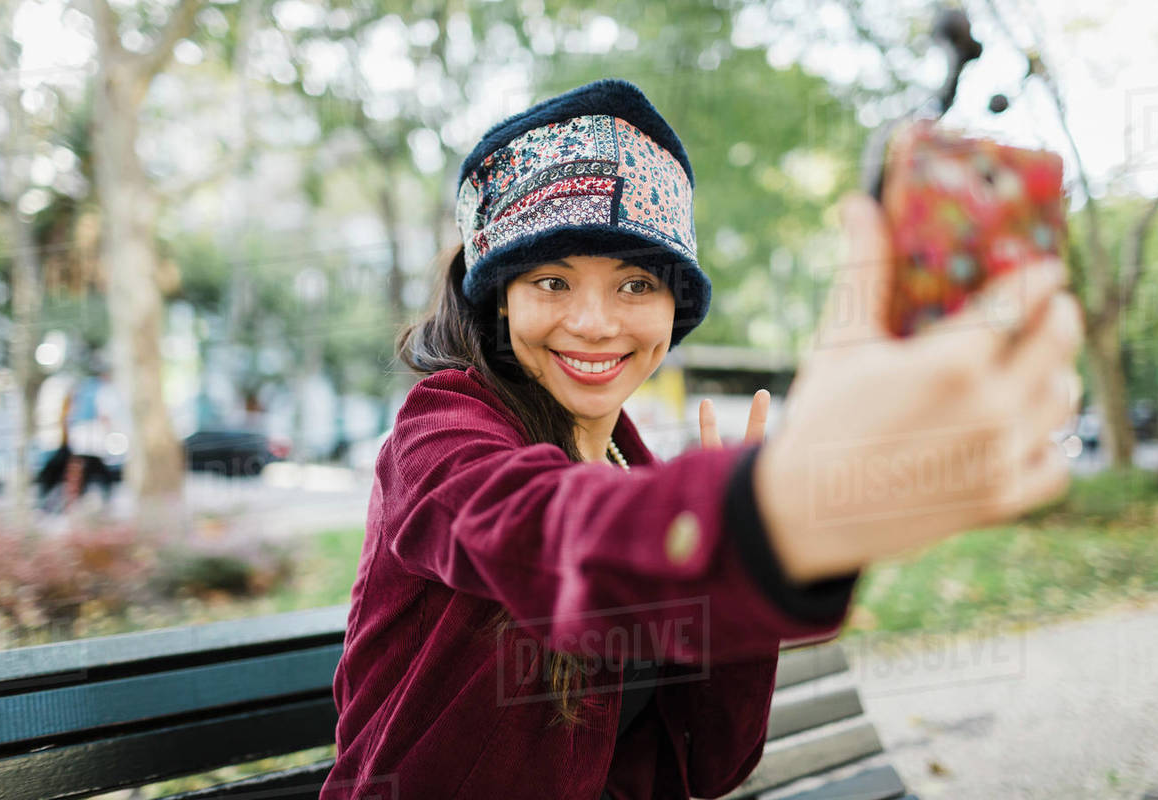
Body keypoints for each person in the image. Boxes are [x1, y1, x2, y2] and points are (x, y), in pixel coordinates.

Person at [321, 79, 1082, 800]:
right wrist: (775, 506)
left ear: (674, 310)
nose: (595, 322)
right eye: (551, 281)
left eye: (636, 284)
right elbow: (536, 529)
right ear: (499, 301)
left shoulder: (632, 466)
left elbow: (710, 764)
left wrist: (772, 547)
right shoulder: (440, 433)